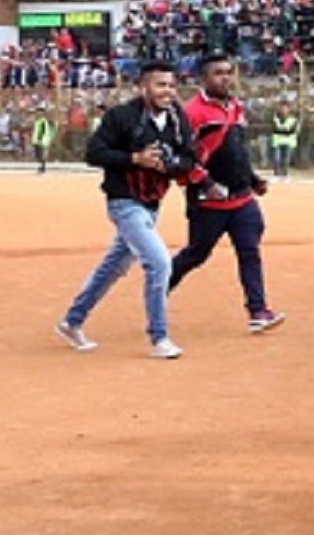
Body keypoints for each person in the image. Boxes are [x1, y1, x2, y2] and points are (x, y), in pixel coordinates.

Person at [54, 61, 211, 359]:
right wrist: (135, 158)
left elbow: (190, 158)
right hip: (124, 202)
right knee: (159, 262)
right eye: (160, 85)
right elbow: (94, 153)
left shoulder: (177, 117)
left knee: (113, 267)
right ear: (143, 87)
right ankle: (159, 337)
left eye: (171, 85)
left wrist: (171, 164)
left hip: (152, 204)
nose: (168, 92)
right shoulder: (122, 116)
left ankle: (71, 321)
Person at [168, 54, 285, 334]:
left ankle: (258, 310)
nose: (225, 78)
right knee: (196, 253)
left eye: (228, 72)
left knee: (249, 251)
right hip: (209, 201)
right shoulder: (192, 113)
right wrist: (207, 184)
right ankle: (158, 287)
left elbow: (237, 151)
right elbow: (182, 158)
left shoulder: (236, 107)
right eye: (218, 73)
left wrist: (254, 180)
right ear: (203, 79)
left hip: (242, 198)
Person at [269, 102, 299, 179]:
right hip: (277, 141)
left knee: (286, 159)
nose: (283, 110)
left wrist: (282, 130)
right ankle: (276, 174)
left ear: (289, 109)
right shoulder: (275, 118)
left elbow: (292, 131)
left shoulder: (293, 119)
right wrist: (285, 130)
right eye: (282, 108)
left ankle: (285, 174)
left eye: (285, 108)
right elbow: (274, 129)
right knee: (276, 158)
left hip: (288, 141)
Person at [31, 106, 55, 174]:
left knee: (41, 154)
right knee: (38, 155)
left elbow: (42, 131)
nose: (38, 113)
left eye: (40, 111)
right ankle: (41, 167)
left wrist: (40, 139)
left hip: (41, 140)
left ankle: (42, 168)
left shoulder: (43, 121)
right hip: (36, 140)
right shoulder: (37, 121)